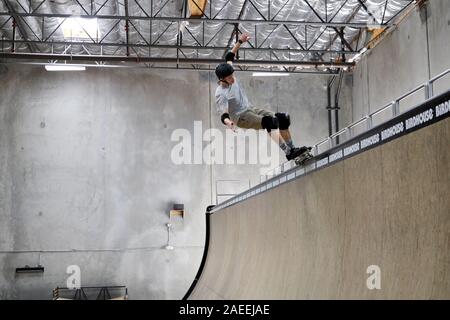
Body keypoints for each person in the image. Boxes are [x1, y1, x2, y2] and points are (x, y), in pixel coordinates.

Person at [214, 33, 309, 161]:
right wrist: (229, 122)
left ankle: (292, 149)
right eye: (229, 78)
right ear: (222, 79)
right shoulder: (221, 93)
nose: (232, 79)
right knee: (270, 122)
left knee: (282, 118)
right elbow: (224, 115)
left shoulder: (229, 70)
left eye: (233, 76)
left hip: (250, 109)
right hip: (240, 117)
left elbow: (230, 55)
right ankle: (288, 152)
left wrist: (240, 41)